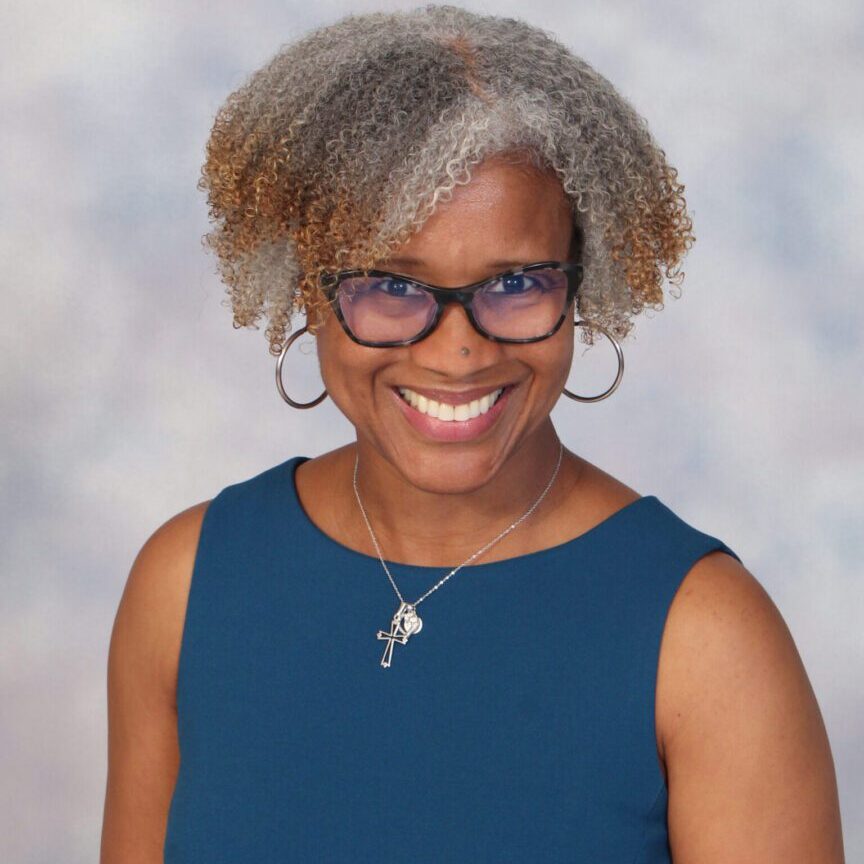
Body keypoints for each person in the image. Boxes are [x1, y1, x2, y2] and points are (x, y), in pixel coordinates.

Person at [100, 5, 845, 862]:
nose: (458, 349)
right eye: (390, 285)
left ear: (583, 284)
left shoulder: (707, 637)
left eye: (517, 283)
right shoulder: (186, 583)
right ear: (309, 293)